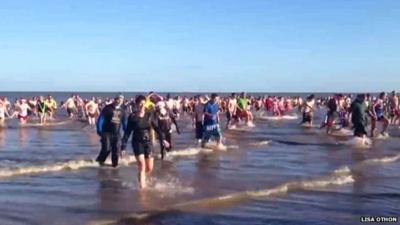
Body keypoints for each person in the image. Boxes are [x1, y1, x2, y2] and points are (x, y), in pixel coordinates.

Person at [121, 95, 164, 189]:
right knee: (142, 165)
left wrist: (162, 139)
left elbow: (157, 128)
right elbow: (127, 132)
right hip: (137, 143)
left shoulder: (149, 114)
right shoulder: (132, 117)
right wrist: (123, 147)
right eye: (140, 104)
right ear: (136, 105)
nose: (142, 106)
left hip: (148, 143)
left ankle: (141, 177)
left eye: (143, 104)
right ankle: (142, 189)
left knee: (149, 168)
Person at [96, 95, 127, 168]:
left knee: (116, 150)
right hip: (106, 133)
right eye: (118, 99)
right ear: (115, 99)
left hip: (117, 134)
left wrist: (127, 132)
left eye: (121, 100)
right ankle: (99, 163)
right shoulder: (107, 108)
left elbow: (124, 122)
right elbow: (100, 120)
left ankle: (114, 166)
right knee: (106, 149)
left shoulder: (123, 110)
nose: (119, 101)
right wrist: (99, 130)